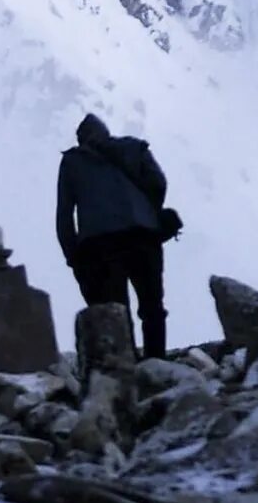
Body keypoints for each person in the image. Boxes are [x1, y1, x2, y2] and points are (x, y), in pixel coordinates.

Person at [56, 113, 173, 357]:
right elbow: (159, 182)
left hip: (102, 246)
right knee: (152, 305)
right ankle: (156, 361)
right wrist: (148, 212)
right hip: (144, 236)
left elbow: (64, 215)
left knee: (116, 309)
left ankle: (126, 366)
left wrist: (73, 257)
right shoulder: (134, 148)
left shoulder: (73, 162)